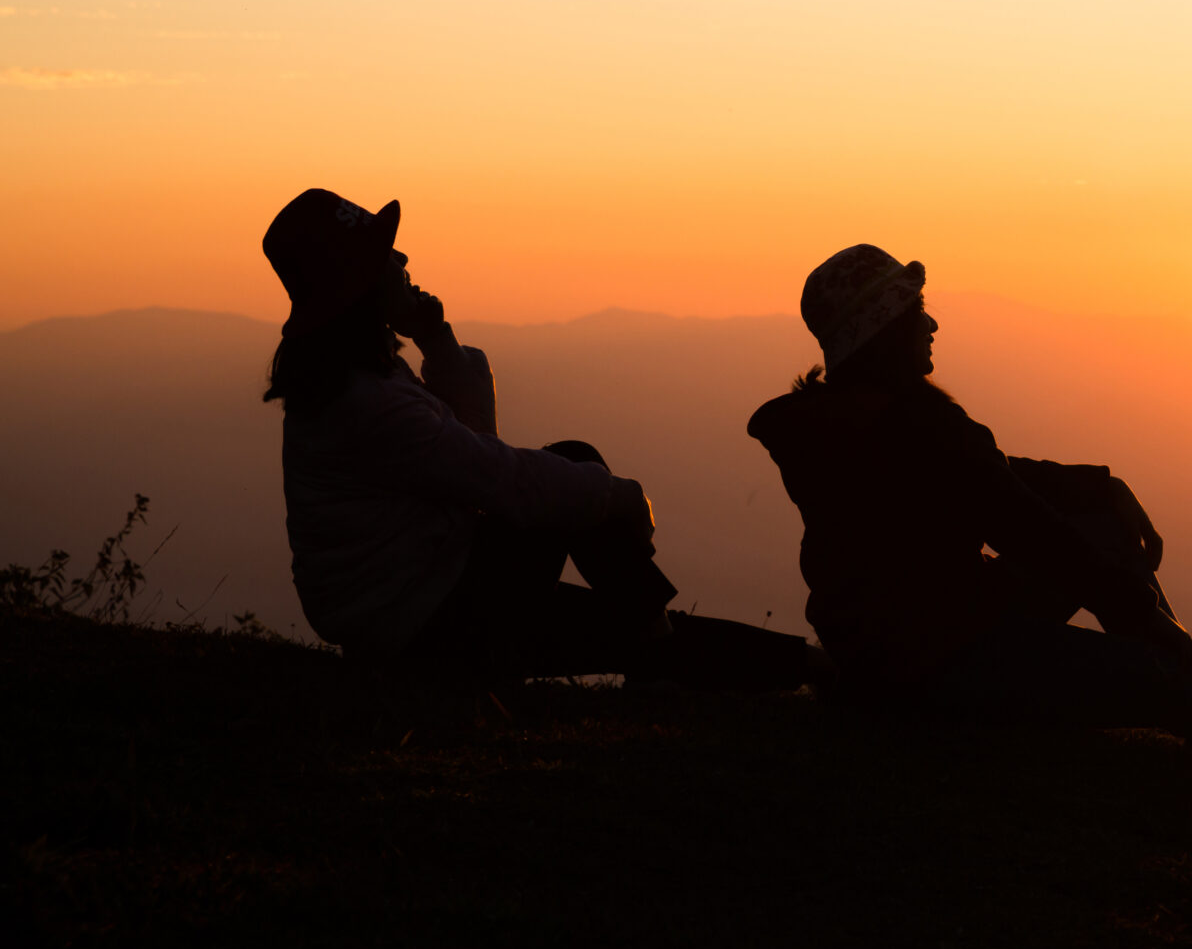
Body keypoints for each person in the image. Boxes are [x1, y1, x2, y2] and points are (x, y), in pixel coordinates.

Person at [749, 245, 1192, 785]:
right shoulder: (918, 428)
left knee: (1100, 524)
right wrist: (1148, 623)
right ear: (885, 334)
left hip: (905, 641)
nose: (930, 325)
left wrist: (1101, 486)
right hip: (941, 662)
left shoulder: (838, 423)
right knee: (1162, 683)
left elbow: (994, 479)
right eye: (914, 313)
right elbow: (1025, 526)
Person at [261, 187, 817, 691]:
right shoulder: (369, 402)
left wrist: (435, 339)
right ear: (358, 282)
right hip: (428, 626)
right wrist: (614, 497)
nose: (403, 259)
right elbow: (499, 478)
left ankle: (801, 668)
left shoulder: (353, 385)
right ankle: (765, 669)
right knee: (576, 469)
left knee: (637, 628)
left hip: (419, 608)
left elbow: (470, 454)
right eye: (385, 253)